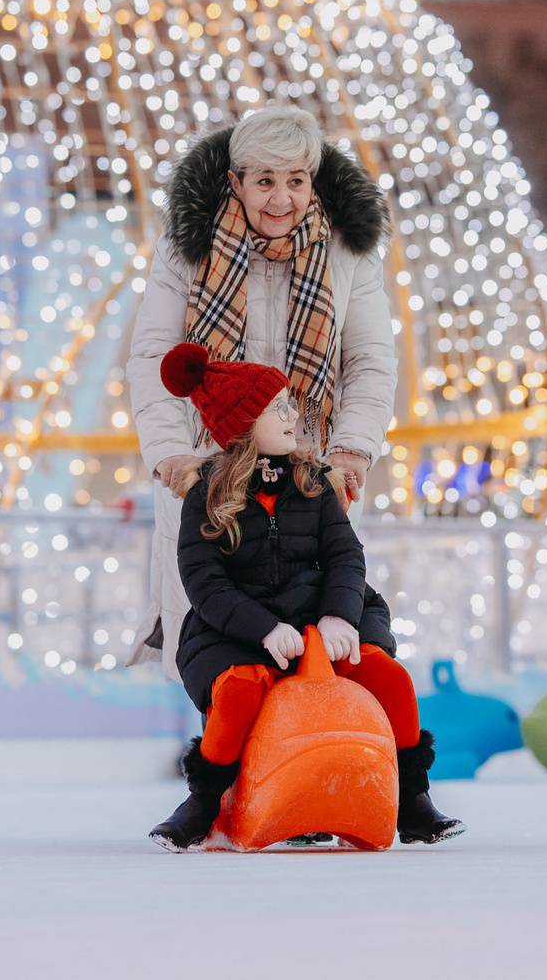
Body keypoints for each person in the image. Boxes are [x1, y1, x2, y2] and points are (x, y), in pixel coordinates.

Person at [147, 342, 462, 851]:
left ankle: (413, 799)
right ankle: (205, 799)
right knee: (240, 691)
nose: (295, 415)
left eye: (291, 404)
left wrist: (339, 616)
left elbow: (345, 557)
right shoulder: (206, 494)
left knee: (387, 676)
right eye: (279, 407)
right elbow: (205, 584)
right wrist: (264, 630)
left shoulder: (312, 482)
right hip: (237, 627)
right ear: (245, 423)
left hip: (320, 613)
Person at [127, 106, 396, 684]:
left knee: (320, 639)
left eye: (296, 181)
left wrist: (351, 449)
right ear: (236, 182)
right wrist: (173, 454)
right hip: (211, 474)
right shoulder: (188, 248)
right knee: (223, 652)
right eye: (265, 181)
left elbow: (370, 359)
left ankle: (314, 759)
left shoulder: (347, 251)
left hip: (308, 474)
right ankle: (224, 764)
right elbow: (156, 358)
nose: (282, 199)